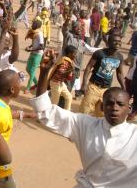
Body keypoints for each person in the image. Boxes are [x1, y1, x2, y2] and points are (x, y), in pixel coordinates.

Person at [31, 49, 137, 188]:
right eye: (109, 104)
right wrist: (44, 73)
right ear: (102, 107)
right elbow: (46, 112)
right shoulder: (85, 124)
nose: (114, 107)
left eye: (120, 104)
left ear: (129, 109)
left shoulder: (134, 134)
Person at [80, 33, 125, 116]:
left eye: (119, 41)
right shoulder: (99, 53)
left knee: (101, 115)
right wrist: (84, 84)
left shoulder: (120, 57)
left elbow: (120, 73)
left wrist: (124, 88)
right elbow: (88, 68)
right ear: (108, 43)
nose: (117, 43)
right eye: (115, 41)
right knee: (85, 112)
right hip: (93, 87)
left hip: (106, 90)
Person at [48, 45, 76, 110]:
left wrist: (70, 71)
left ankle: (66, 114)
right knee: (54, 103)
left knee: (69, 97)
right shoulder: (64, 61)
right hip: (55, 83)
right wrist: (71, 70)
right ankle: (48, 116)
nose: (75, 55)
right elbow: (61, 73)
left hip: (60, 83)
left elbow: (68, 78)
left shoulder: (69, 62)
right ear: (69, 54)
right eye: (74, 53)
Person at [24, 20, 44, 92]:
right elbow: (35, 43)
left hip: (38, 54)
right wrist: (29, 47)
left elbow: (41, 47)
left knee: (32, 71)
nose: (32, 24)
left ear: (37, 25)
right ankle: (37, 83)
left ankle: (28, 88)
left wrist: (31, 50)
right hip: (33, 53)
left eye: (34, 23)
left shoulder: (40, 34)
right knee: (27, 69)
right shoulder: (35, 32)